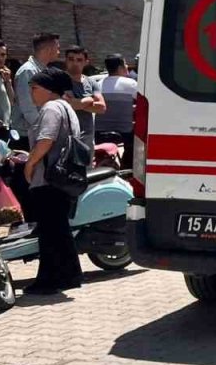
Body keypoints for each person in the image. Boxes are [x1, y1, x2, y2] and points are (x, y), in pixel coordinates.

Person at [23, 68, 83, 295]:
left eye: (35, 88)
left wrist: (30, 163)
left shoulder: (51, 108)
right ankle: (65, 276)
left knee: (50, 232)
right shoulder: (67, 108)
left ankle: (51, 280)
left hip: (48, 179)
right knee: (57, 230)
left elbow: (46, 139)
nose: (31, 93)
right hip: (63, 179)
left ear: (49, 90)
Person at [12, 32, 61, 138]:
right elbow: (28, 107)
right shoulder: (28, 71)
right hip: (26, 134)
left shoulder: (43, 71)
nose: (59, 52)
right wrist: (45, 130)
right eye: (57, 48)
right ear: (48, 50)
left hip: (37, 132)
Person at [97, 54, 138, 168]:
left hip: (99, 132)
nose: (127, 67)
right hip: (125, 132)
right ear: (120, 68)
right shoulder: (131, 84)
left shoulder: (98, 85)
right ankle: (127, 168)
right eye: (125, 64)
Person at [63, 46, 106, 152]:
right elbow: (70, 105)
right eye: (71, 59)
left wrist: (77, 103)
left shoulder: (91, 82)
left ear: (86, 62)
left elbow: (102, 108)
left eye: (79, 60)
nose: (75, 63)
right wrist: (90, 99)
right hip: (66, 137)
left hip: (87, 136)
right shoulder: (59, 79)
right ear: (66, 60)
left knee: (87, 168)